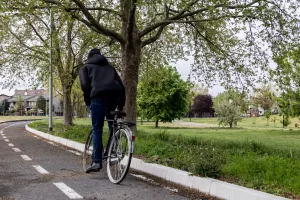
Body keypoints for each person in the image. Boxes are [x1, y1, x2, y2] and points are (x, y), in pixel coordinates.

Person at [79, 48, 125, 173]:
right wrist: (120, 106)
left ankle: (97, 161)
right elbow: (121, 86)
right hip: (114, 98)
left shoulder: (85, 68)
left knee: (97, 128)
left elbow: (85, 86)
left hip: (98, 98)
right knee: (112, 124)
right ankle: (114, 151)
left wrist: (88, 102)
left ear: (89, 57)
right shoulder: (110, 68)